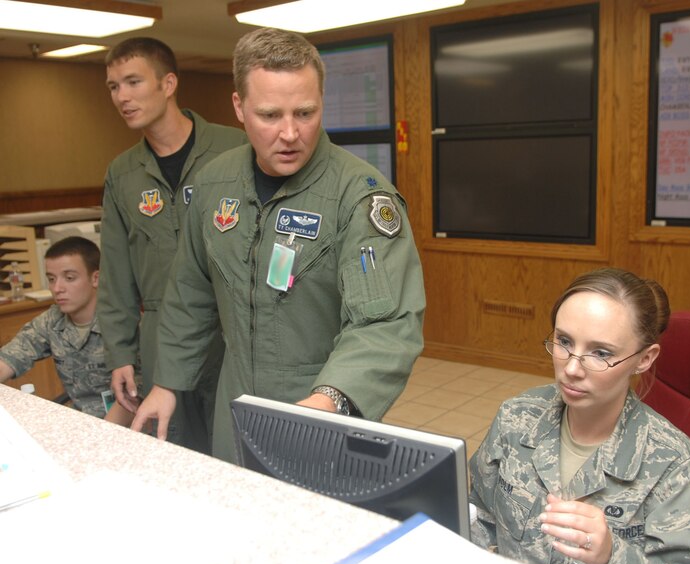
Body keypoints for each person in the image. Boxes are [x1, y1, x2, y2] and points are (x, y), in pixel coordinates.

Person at [131, 28, 426, 461]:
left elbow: (386, 325)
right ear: (239, 108)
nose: (290, 133)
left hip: (321, 408)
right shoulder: (215, 183)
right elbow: (190, 294)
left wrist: (330, 399)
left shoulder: (359, 197)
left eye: (305, 113)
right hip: (236, 401)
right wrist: (167, 382)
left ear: (321, 103)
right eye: (270, 115)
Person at [469, 268, 690, 564]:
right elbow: (479, 515)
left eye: (601, 353)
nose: (572, 368)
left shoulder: (673, 464)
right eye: (564, 341)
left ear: (644, 359)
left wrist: (611, 556)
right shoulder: (516, 417)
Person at [99, 37, 247, 453]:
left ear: (167, 84)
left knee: (236, 451)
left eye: (132, 82)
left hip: (230, 332)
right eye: (113, 87)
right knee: (174, 452)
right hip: (160, 337)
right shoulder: (123, 173)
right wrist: (120, 353)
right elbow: (115, 273)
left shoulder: (234, 148)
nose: (122, 97)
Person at [0, 237, 132, 426]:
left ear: (96, 278)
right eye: (51, 279)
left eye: (69, 278)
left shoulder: (122, 321)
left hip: (124, 428)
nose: (57, 288)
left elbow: (133, 398)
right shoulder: (52, 320)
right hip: (78, 421)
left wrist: (99, 438)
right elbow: (9, 358)